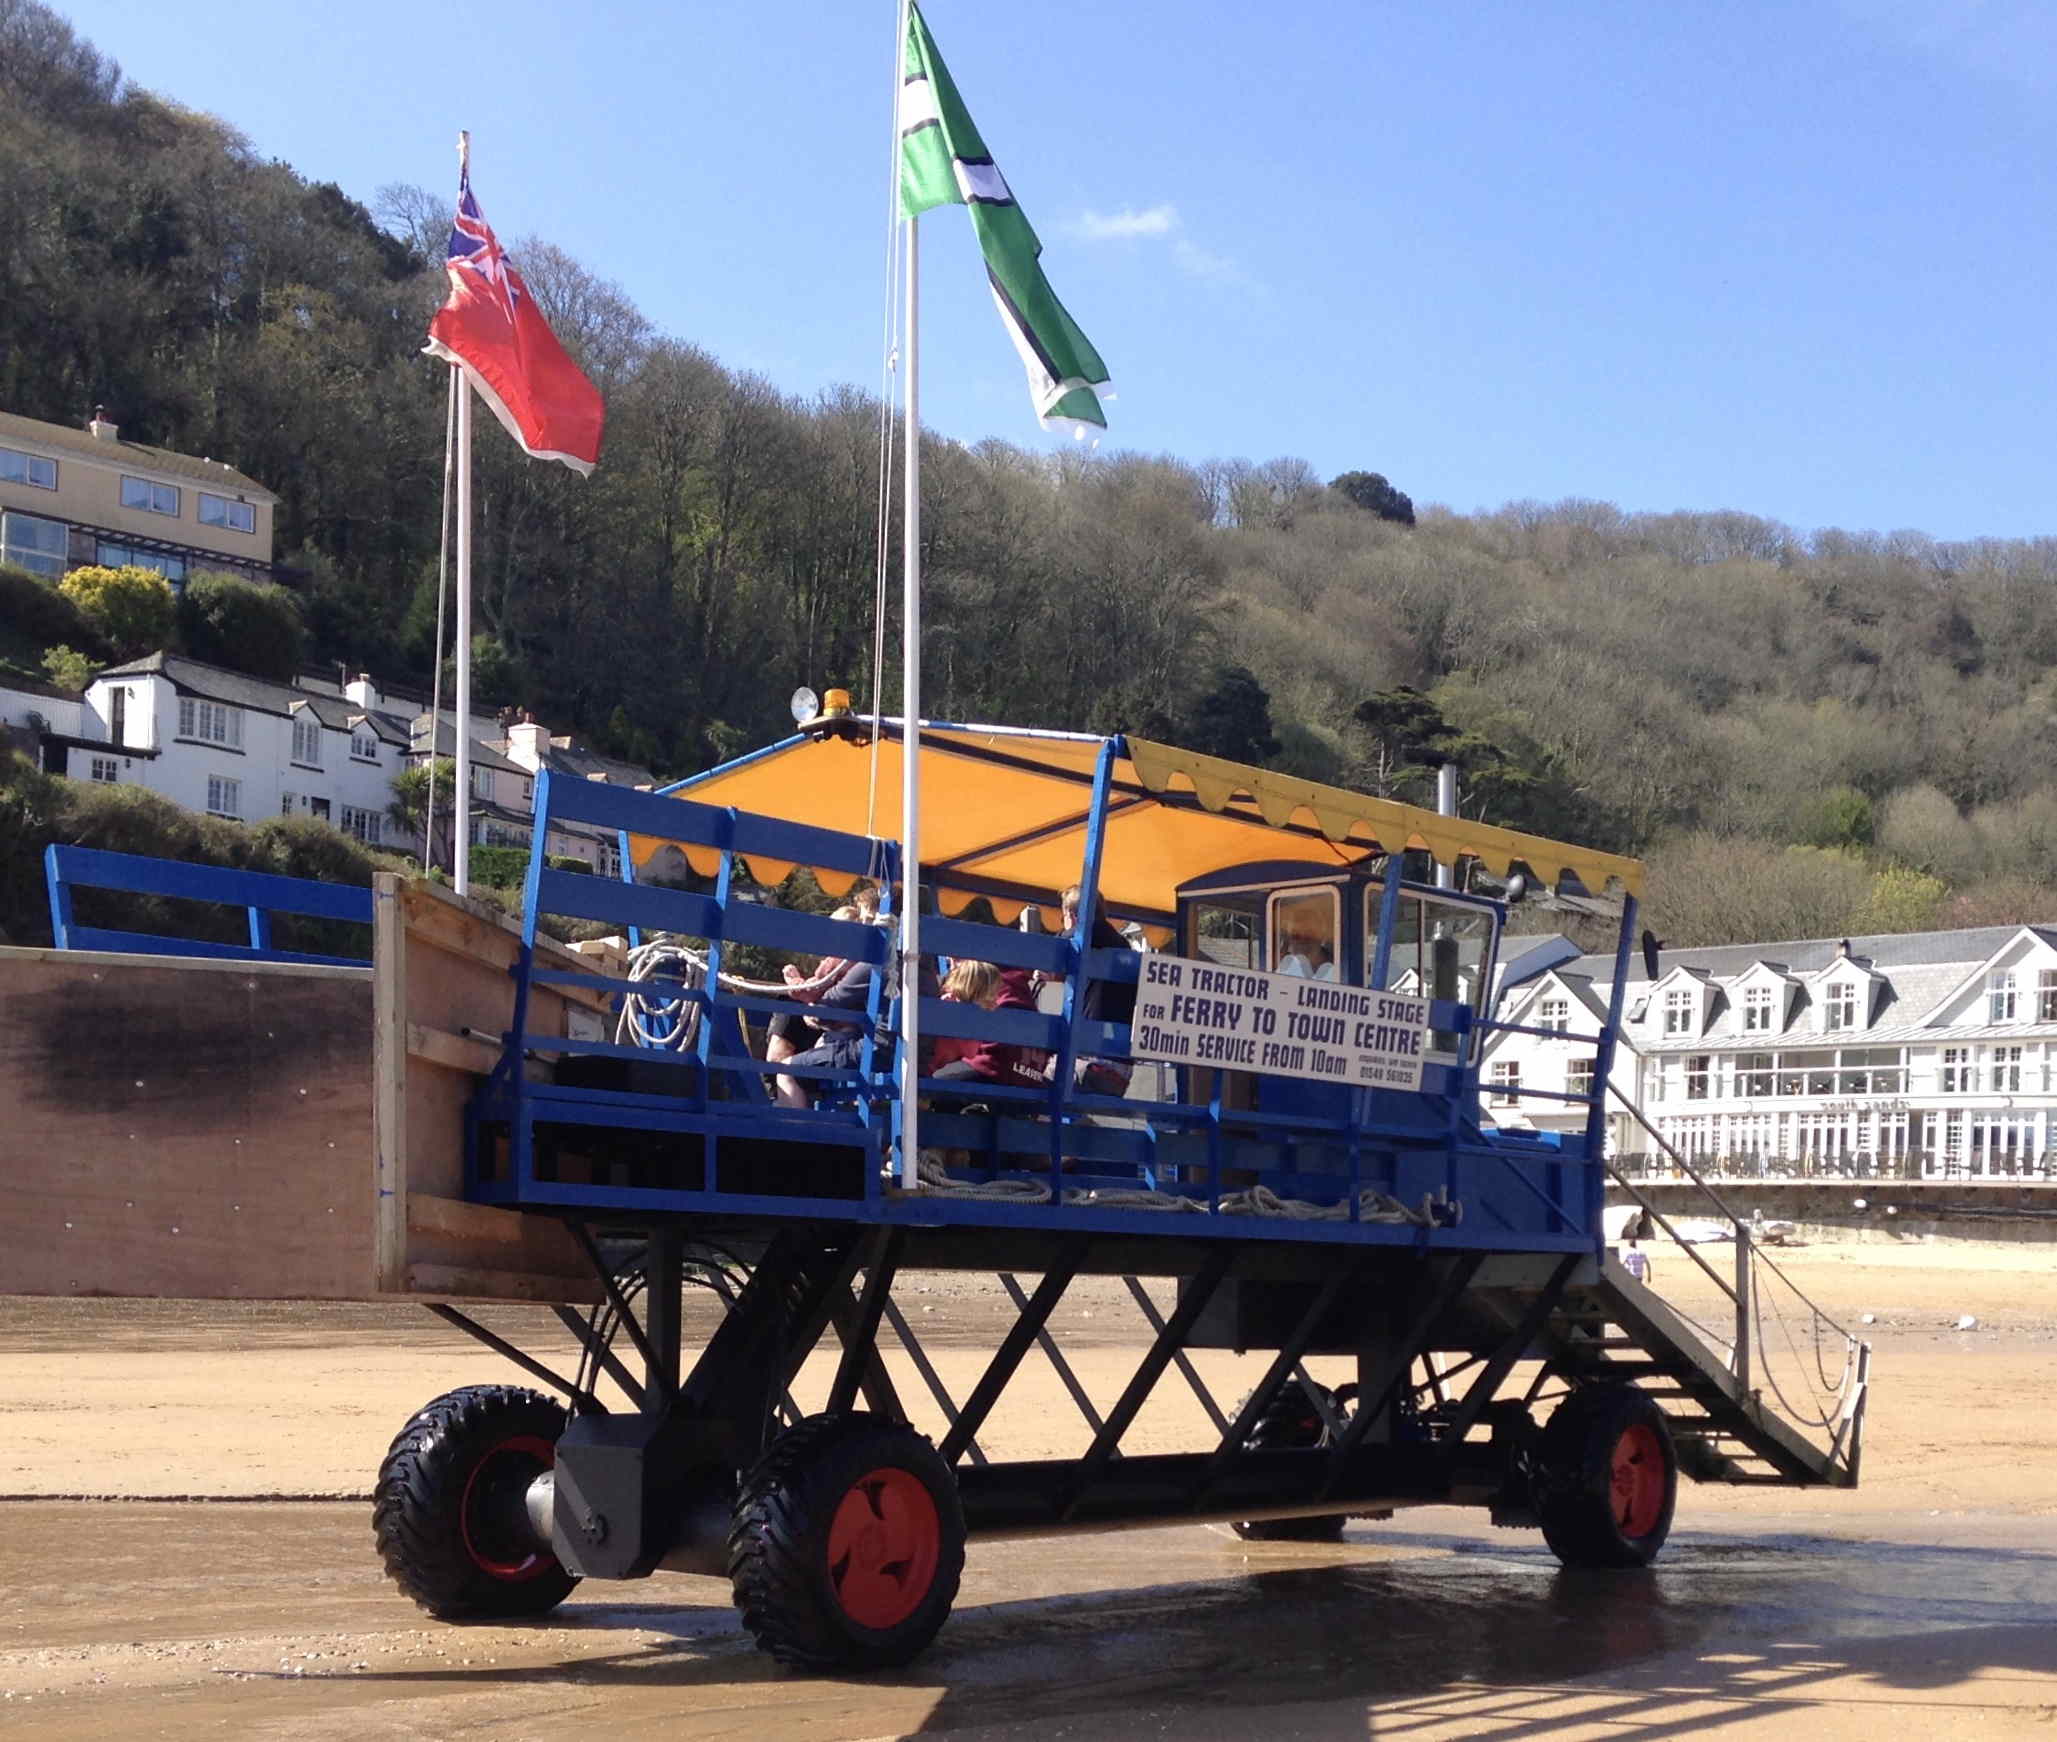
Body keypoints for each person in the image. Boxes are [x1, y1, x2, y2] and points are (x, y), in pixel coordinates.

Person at [1042, 883, 1135, 1098]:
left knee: (1028, 1078)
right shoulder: (1124, 947)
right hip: (1120, 1074)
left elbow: (1048, 986)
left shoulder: (1073, 940)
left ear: (1072, 915)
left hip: (1086, 1066)